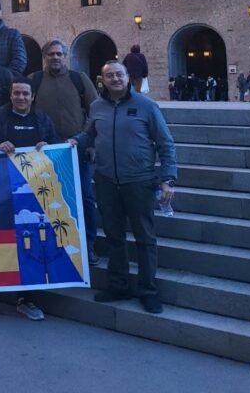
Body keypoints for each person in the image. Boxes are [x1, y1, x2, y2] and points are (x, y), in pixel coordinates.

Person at [74, 61, 177, 314]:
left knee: (145, 238)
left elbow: (165, 143)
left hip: (139, 181)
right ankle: (118, 285)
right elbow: (89, 134)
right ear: (103, 79)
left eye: (119, 74)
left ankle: (148, 290)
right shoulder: (97, 106)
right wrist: (71, 142)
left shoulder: (146, 106)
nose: (115, 79)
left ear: (128, 77)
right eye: (109, 75)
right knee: (114, 236)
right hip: (107, 181)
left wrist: (168, 178)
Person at [0, 78, 57, 321]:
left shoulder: (42, 119)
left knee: (30, 244)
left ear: (33, 97)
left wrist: (48, 146)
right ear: (10, 96)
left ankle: (26, 299)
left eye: (25, 94)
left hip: (32, 194)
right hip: (0, 191)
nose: (21, 97)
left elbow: (57, 146)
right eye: (17, 93)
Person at [30, 39, 100, 263]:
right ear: (45, 57)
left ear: (65, 56)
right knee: (47, 197)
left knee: (85, 197)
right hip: (45, 149)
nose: (55, 57)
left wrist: (90, 143)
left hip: (76, 147)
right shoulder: (35, 80)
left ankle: (88, 244)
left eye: (59, 54)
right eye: (50, 54)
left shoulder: (79, 79)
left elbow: (95, 112)